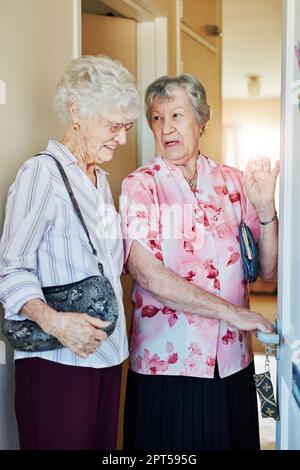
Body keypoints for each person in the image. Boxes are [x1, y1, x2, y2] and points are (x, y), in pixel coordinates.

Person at [120, 74, 279, 450]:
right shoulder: (141, 186)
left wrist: (266, 208)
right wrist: (231, 312)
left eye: (176, 115)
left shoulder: (234, 182)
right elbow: (148, 274)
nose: (166, 127)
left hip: (233, 361)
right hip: (167, 366)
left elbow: (269, 271)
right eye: (156, 118)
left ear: (201, 119)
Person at [0, 55, 139, 450]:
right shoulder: (40, 174)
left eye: (126, 127)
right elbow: (11, 269)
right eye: (114, 125)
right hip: (57, 362)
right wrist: (58, 324)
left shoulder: (100, 181)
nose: (122, 139)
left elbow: (112, 264)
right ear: (78, 112)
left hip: (109, 356)